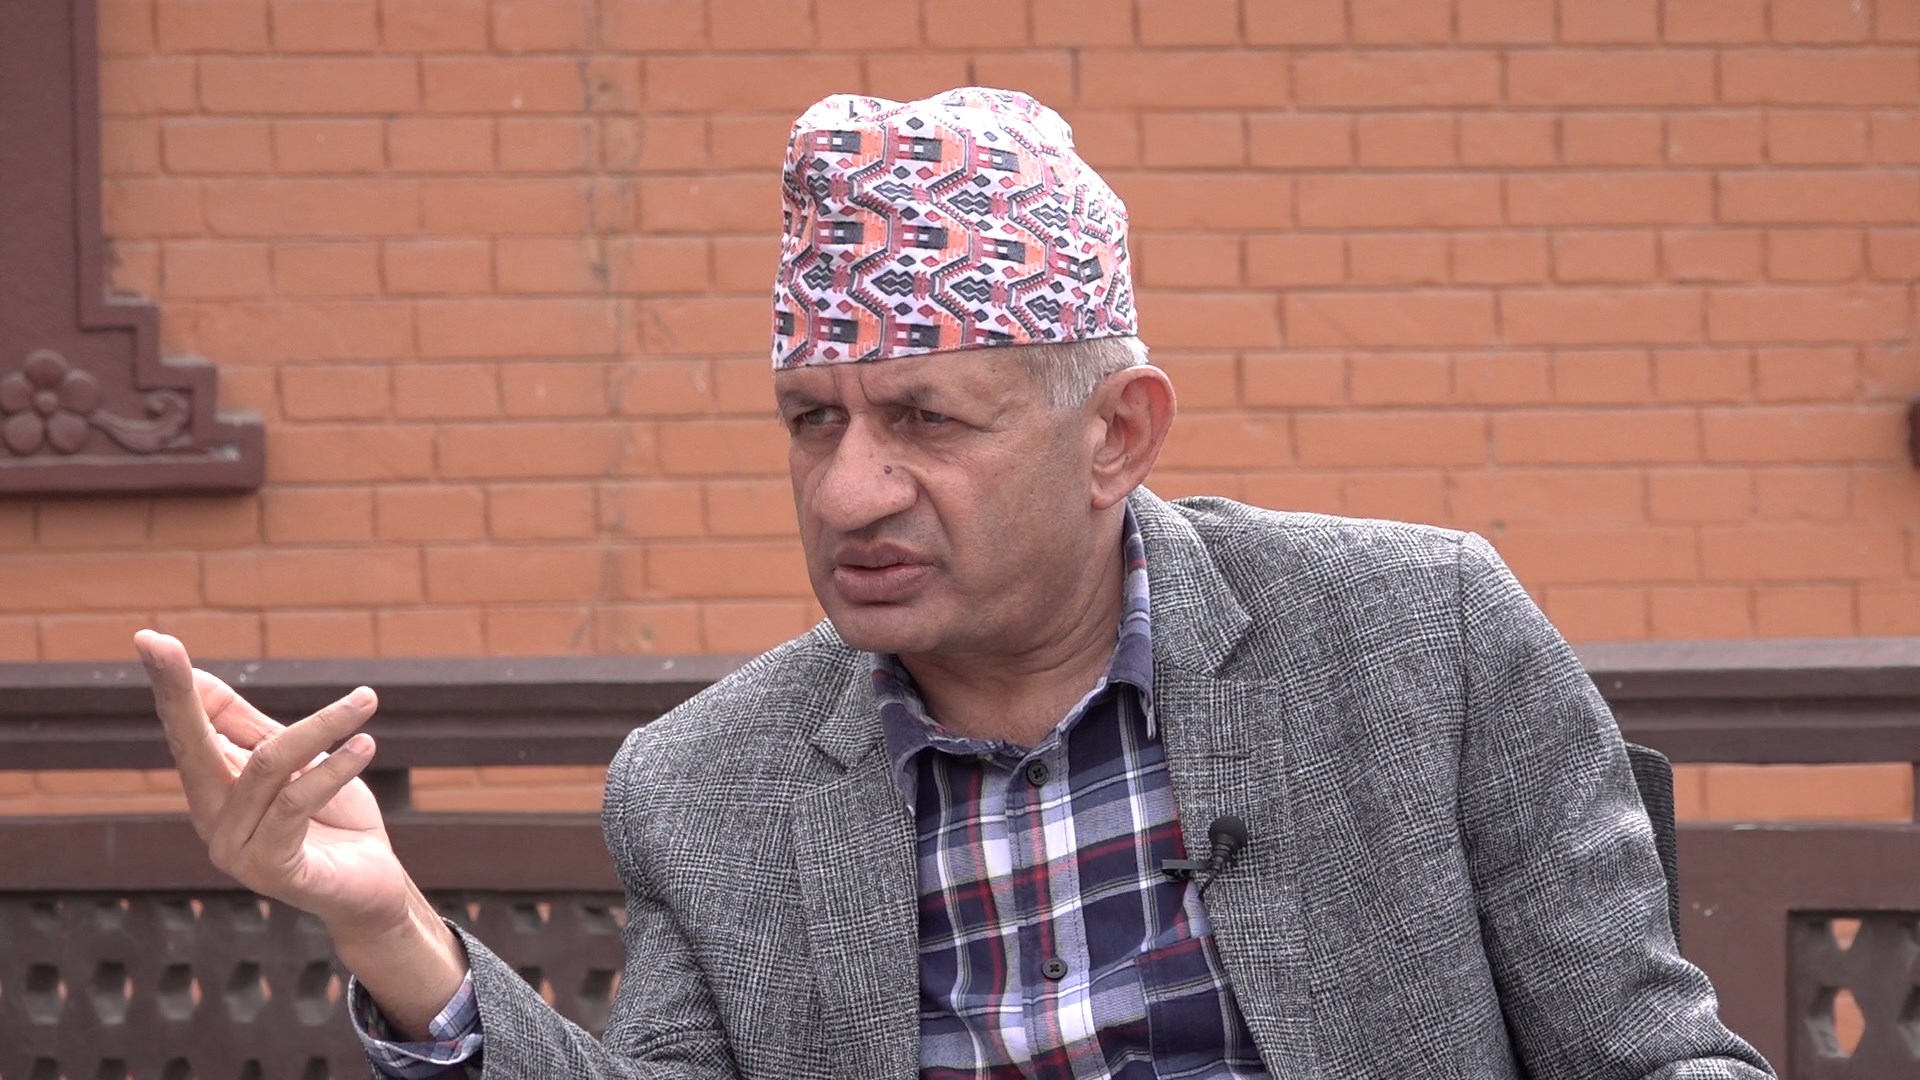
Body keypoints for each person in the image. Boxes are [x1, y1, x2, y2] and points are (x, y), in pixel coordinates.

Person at [137, 87, 1774, 1079]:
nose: (848, 491)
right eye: (812, 422)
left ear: (1116, 434)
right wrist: (394, 928)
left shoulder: (1418, 638)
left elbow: (1651, 1055)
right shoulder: (710, 786)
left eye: (925, 420)